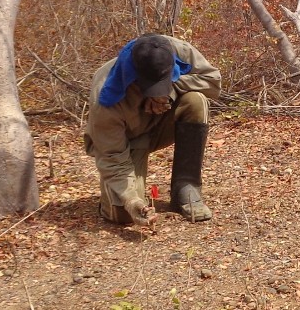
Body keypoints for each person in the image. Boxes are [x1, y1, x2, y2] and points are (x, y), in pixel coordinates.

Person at [84, 33, 222, 225]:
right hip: (127, 144)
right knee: (123, 215)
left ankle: (186, 187)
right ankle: (116, 202)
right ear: (135, 76)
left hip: (159, 126)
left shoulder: (176, 50)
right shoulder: (106, 97)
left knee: (196, 101)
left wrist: (169, 91)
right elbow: (112, 157)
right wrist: (132, 200)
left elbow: (213, 84)